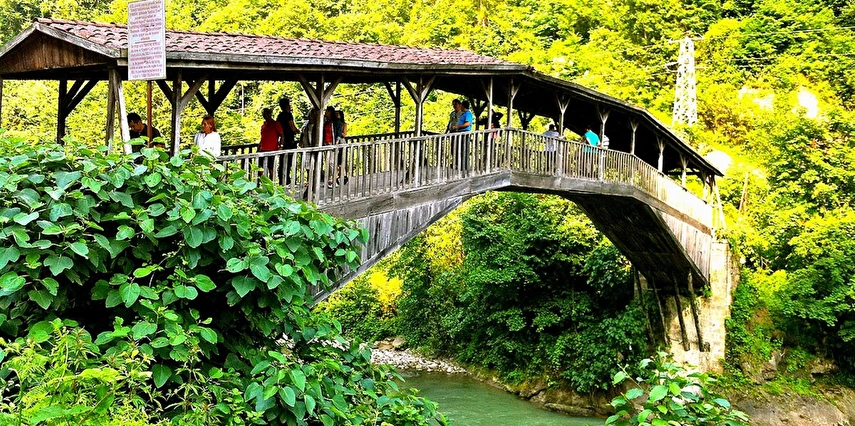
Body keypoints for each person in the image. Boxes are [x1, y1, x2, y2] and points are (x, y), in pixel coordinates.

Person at [276, 97, 300, 184]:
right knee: (289, 161)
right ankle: (287, 180)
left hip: (282, 141)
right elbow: (293, 128)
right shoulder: (288, 115)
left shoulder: (279, 115)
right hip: (289, 141)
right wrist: (298, 131)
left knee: (282, 162)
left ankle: (281, 179)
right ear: (286, 106)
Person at [258, 107, 284, 178]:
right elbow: (262, 138)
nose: (265, 115)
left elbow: (282, 135)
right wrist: (258, 148)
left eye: (266, 113)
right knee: (259, 167)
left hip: (272, 149)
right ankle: (262, 182)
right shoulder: (263, 125)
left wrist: (281, 146)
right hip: (262, 149)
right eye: (263, 114)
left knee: (271, 168)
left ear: (270, 114)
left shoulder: (276, 124)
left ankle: (271, 184)